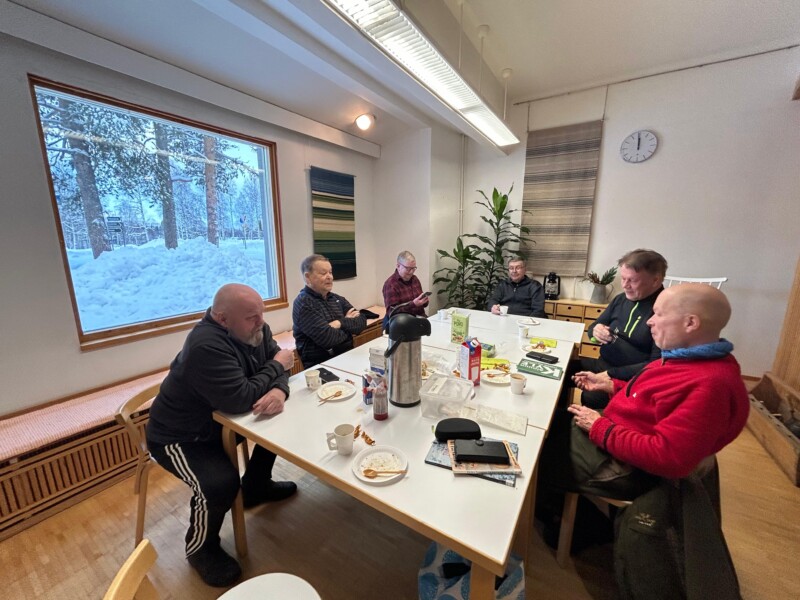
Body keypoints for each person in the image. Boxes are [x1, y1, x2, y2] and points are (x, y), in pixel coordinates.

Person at [537, 283, 749, 539]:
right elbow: (654, 400)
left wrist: (599, 427)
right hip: (614, 434)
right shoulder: (687, 358)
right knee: (542, 423)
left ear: (690, 323)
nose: (649, 322)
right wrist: (612, 385)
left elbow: (670, 458)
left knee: (533, 455)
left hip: (625, 465)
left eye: (659, 314)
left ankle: (583, 526)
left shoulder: (709, 384)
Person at [146, 283, 298, 588]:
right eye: (252, 317)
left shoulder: (256, 328)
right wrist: (276, 368)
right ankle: (200, 547)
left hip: (220, 425)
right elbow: (242, 397)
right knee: (220, 484)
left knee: (278, 426)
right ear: (222, 319)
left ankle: (255, 486)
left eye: (261, 314)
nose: (261, 322)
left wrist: (280, 389)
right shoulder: (205, 345)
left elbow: (280, 369)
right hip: (181, 436)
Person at [565, 248, 667, 409]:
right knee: (561, 370)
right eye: (623, 279)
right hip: (603, 364)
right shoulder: (621, 299)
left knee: (591, 396)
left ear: (655, 280)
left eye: (632, 281)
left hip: (627, 379)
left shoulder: (664, 310)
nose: (625, 286)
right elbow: (592, 330)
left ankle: (586, 424)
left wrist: (610, 375)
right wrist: (596, 332)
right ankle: (559, 419)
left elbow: (656, 364)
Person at [293, 254, 367, 368]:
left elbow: (361, 322)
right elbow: (328, 339)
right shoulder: (304, 304)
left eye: (330, 272)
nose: (330, 277)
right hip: (322, 367)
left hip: (347, 357)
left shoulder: (336, 298)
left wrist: (339, 323)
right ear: (308, 277)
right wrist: (348, 326)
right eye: (323, 273)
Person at [382, 250, 429, 317]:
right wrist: (413, 304)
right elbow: (392, 312)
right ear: (398, 266)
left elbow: (423, 305)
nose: (411, 272)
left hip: (420, 319)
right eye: (408, 269)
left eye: (413, 268)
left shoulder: (415, 279)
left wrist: (424, 301)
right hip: (404, 323)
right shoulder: (390, 284)